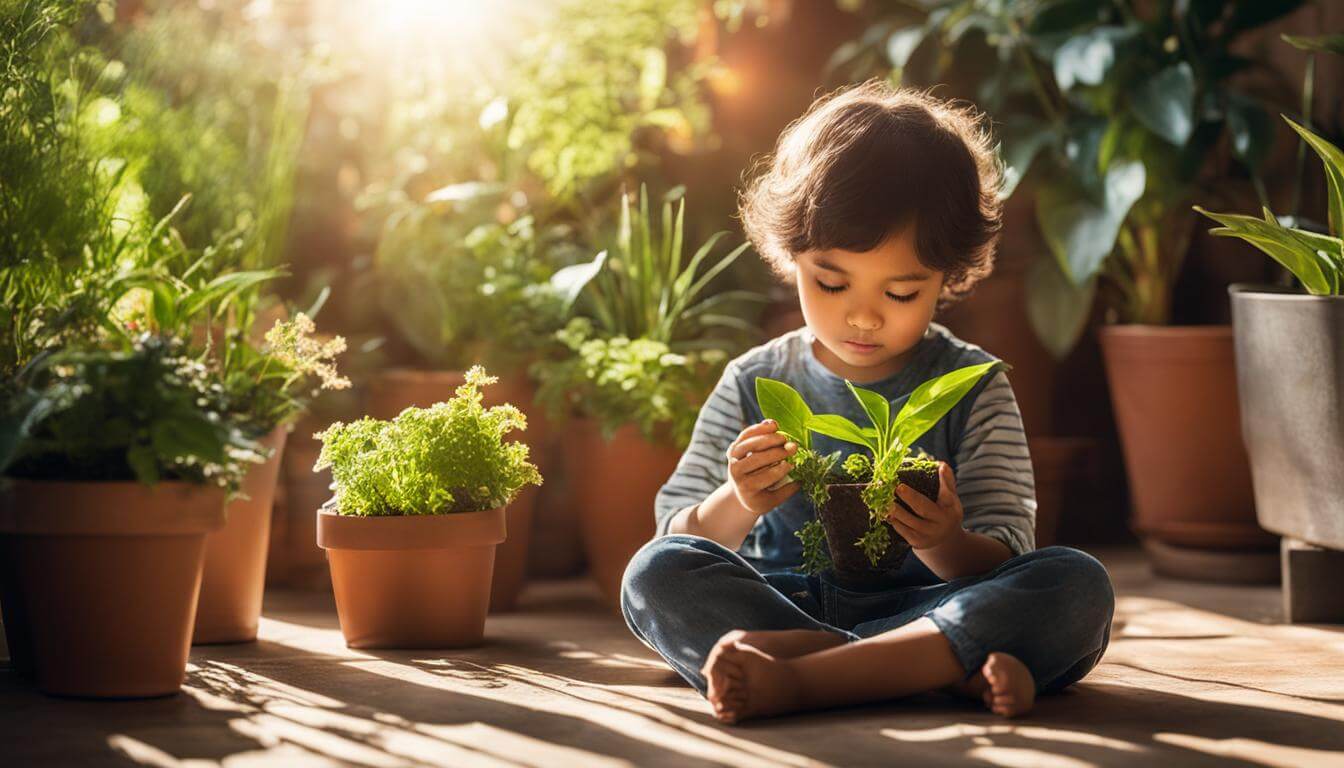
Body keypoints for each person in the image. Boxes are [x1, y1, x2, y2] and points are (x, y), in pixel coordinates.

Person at [619, 80, 1115, 725]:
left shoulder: (970, 383)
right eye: (830, 282)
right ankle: (921, 673)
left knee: (1075, 583)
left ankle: (815, 676)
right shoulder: (755, 380)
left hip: (929, 607)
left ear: (948, 278)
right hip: (783, 609)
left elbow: (1008, 550)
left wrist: (945, 543)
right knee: (654, 572)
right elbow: (675, 535)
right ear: (790, 257)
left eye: (901, 294)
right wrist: (736, 502)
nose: (862, 316)